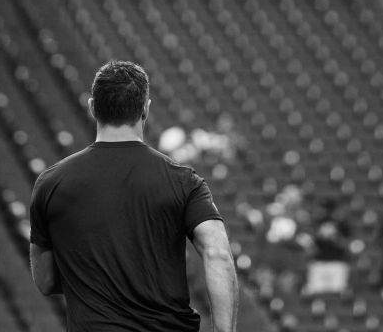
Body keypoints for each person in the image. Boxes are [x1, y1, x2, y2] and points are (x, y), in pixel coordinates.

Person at [29, 60, 238, 332]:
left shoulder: (51, 183)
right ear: (145, 109)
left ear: (93, 107)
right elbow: (218, 253)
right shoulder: (184, 181)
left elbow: (45, 281)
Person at [302, 200, 352, 295]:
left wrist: (335, 237)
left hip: (337, 263)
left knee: (338, 293)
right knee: (315, 292)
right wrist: (319, 235)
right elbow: (309, 246)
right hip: (318, 263)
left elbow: (348, 245)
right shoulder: (316, 224)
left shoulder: (342, 225)